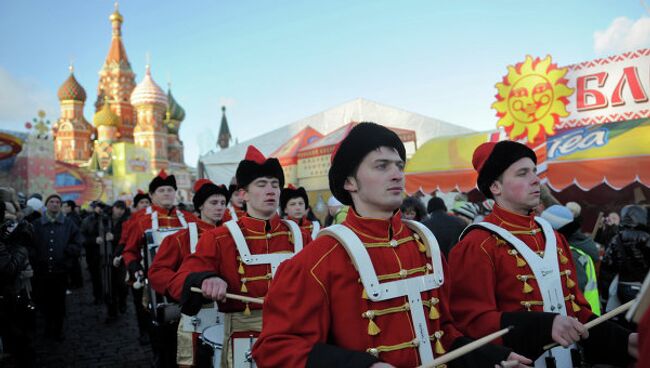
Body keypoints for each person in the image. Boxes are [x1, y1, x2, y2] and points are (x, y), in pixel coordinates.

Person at [252, 123, 530, 368]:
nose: (397, 174)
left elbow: (443, 332)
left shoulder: (425, 244)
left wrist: (489, 358)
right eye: (381, 166)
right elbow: (275, 348)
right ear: (349, 182)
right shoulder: (318, 259)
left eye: (399, 166)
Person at [448, 140, 637, 366]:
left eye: (534, 171)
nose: (536, 179)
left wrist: (625, 340)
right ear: (495, 187)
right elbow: (472, 323)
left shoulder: (552, 235)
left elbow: (577, 312)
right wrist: (542, 326)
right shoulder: (477, 244)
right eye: (522, 173)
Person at [170, 145, 310, 368]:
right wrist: (205, 279)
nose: (271, 190)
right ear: (243, 194)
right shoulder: (219, 237)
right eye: (262, 185)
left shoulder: (301, 235)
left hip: (295, 336)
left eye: (275, 184)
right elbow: (179, 280)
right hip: (244, 339)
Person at [149, 179, 229, 367]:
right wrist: (186, 285)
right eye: (214, 203)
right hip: (195, 317)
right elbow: (157, 273)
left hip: (229, 315)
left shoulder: (233, 235)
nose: (220, 208)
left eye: (223, 203)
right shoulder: (180, 238)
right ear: (200, 205)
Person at [123, 170, 199, 368]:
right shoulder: (141, 220)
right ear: (152, 195)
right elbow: (129, 251)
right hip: (157, 287)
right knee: (161, 336)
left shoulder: (190, 219)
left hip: (186, 284)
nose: (167, 194)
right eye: (161, 190)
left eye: (170, 190)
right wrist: (134, 266)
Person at [30, 193, 82, 341]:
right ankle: (48, 328)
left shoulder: (68, 223)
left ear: (60, 205)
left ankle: (58, 330)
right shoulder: (37, 224)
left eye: (57, 202)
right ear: (46, 205)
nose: (55, 204)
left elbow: (77, 242)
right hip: (42, 271)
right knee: (45, 302)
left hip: (61, 271)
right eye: (51, 201)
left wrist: (66, 253)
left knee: (59, 302)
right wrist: (36, 258)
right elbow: (30, 245)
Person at [540, 205, 601, 315]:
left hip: (581, 320)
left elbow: (572, 295)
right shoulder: (574, 248)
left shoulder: (569, 255)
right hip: (587, 317)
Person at [0, 201, 36, 367]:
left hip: (14, 293)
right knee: (17, 336)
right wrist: (20, 247)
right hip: (8, 295)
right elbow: (8, 270)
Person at [116, 190, 152, 345]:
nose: (145, 205)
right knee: (139, 303)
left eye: (147, 203)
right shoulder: (130, 222)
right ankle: (143, 332)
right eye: (142, 203)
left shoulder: (154, 219)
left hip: (153, 269)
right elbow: (124, 242)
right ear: (136, 206)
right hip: (137, 267)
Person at [599, 205, 650, 305]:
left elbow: (606, 268)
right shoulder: (647, 238)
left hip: (622, 287)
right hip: (643, 288)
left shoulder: (617, 238)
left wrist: (604, 295)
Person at [105, 200, 130, 322]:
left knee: (122, 284)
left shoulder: (126, 221)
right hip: (106, 257)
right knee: (110, 286)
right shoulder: (105, 219)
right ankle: (112, 312)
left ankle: (122, 301)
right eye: (118, 208)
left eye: (122, 209)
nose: (120, 211)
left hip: (121, 257)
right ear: (113, 208)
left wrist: (114, 237)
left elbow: (128, 237)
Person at [80, 201, 108, 305]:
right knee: (96, 276)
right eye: (97, 207)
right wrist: (94, 240)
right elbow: (82, 237)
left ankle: (109, 296)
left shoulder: (108, 219)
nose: (100, 209)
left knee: (109, 275)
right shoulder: (87, 220)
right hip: (93, 253)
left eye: (102, 207)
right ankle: (98, 296)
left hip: (108, 252)